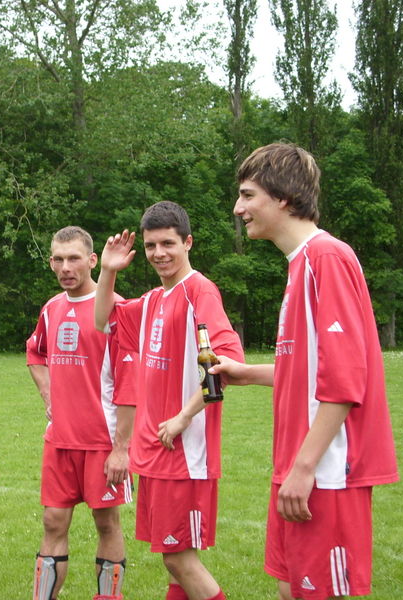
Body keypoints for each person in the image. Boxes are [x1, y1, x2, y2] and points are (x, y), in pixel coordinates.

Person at [211, 143, 398, 600]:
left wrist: (305, 466)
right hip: (298, 465)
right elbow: (310, 367)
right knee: (290, 588)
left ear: (284, 197)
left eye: (248, 195)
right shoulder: (300, 265)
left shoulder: (327, 258)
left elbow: (346, 379)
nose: (238, 208)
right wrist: (246, 372)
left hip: (325, 471)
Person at [95, 202, 244, 600]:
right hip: (157, 451)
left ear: (187, 242)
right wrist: (108, 271)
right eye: (150, 246)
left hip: (185, 453)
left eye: (168, 244)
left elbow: (225, 363)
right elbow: (101, 319)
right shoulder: (152, 301)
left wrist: (183, 417)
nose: (158, 253)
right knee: (174, 562)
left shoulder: (199, 291)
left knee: (179, 559)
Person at [26, 226, 136, 600]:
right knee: (52, 521)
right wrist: (48, 394)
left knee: (106, 523)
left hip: (102, 441)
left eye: (73, 258)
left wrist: (122, 448)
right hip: (60, 440)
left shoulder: (116, 310)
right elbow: (35, 352)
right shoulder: (51, 308)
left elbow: (130, 384)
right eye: (58, 259)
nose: (65, 267)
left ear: (92, 260)